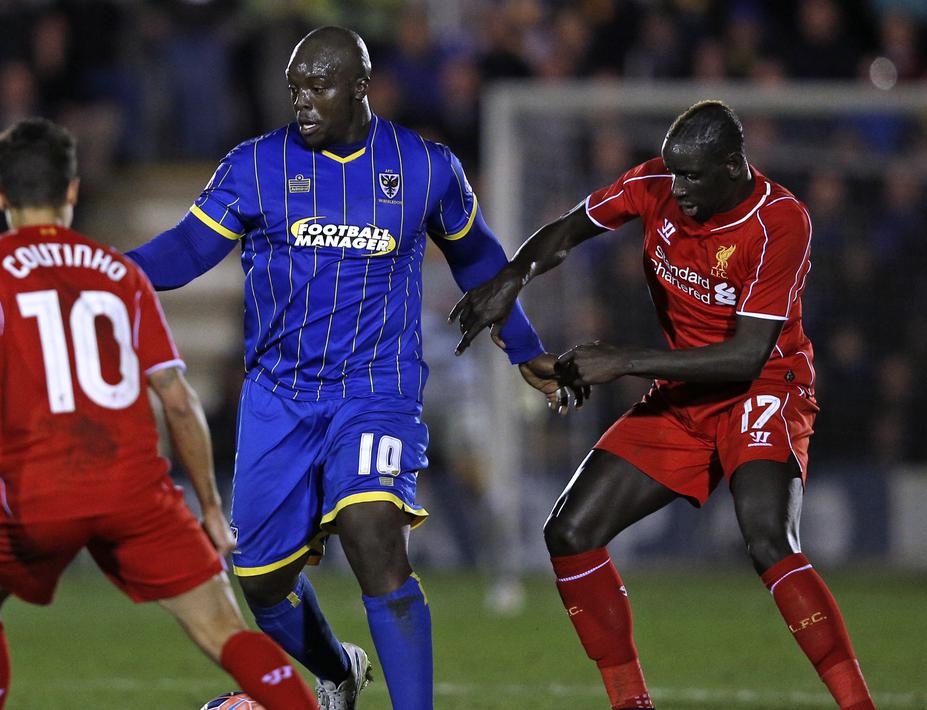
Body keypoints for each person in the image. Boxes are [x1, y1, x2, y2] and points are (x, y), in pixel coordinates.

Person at [126, 26, 564, 710]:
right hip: (279, 396)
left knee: (371, 530)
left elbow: (479, 260)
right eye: (294, 87)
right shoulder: (254, 166)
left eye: (318, 86)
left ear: (360, 87)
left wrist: (526, 348)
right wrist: (106, 272)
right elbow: (185, 250)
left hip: (376, 390)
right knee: (262, 580)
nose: (302, 100)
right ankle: (336, 670)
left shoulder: (423, 167)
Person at [450, 101, 875, 710]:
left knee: (768, 539)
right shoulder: (656, 183)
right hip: (683, 394)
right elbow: (570, 230)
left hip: (765, 388)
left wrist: (623, 360)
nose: (678, 188)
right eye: (673, 174)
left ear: (734, 167)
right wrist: (512, 277)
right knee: (570, 532)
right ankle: (632, 704)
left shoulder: (781, 221)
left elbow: (745, 357)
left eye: (692, 177)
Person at [0, 118, 316, 710]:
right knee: (224, 629)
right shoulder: (121, 274)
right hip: (134, 491)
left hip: (37, 492)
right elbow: (178, 400)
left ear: (0, 195)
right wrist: (212, 509)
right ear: (72, 192)